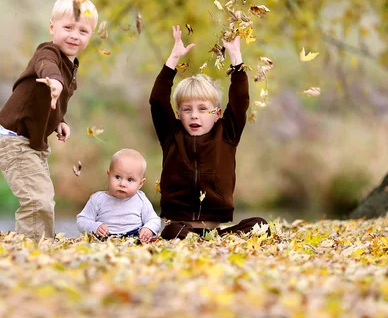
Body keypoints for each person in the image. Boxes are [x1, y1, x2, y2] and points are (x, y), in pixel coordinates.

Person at [0, 0, 98, 240]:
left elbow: (53, 103)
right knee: (36, 200)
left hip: (34, 143)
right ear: (52, 28)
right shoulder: (48, 53)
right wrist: (55, 82)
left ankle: (42, 247)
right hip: (14, 141)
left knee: (45, 200)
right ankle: (31, 252)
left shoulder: (71, 66)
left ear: (90, 36)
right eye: (68, 27)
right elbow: (47, 68)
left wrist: (60, 121)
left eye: (82, 31)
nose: (74, 35)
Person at [149, 25, 268, 239]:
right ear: (178, 113)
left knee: (260, 225)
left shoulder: (227, 133)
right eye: (187, 110)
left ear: (217, 113)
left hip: (214, 232)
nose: (194, 115)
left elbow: (240, 101)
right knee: (175, 232)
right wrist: (173, 59)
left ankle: (215, 240)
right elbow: (157, 101)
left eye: (203, 109)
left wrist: (236, 57)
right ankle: (188, 239)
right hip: (181, 227)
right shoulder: (171, 135)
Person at [76, 149, 161, 243]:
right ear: (109, 175)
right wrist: (95, 227)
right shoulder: (98, 199)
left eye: (130, 180)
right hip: (104, 240)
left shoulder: (141, 200)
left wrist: (148, 228)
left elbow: (154, 219)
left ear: (140, 184)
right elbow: (82, 220)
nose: (122, 184)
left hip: (133, 239)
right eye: (117, 177)